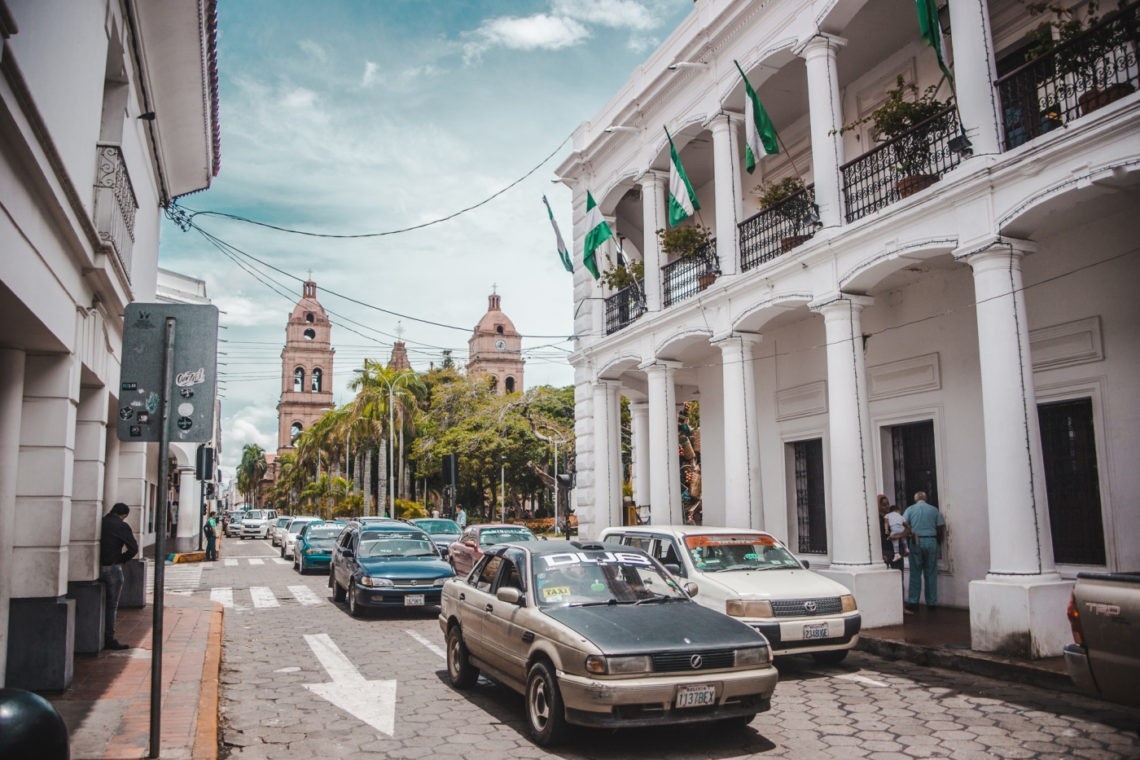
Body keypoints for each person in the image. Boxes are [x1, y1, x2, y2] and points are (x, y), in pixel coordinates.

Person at [99, 502, 138, 650]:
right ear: (124, 515)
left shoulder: (102, 522)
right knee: (111, 606)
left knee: (102, 604)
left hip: (97, 568)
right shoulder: (121, 526)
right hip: (113, 569)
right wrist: (121, 559)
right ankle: (109, 638)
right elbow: (133, 548)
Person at [902, 491, 946, 613]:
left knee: (915, 572)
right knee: (931, 572)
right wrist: (937, 541)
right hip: (931, 540)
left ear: (915, 499)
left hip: (916, 541)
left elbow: (904, 524)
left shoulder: (910, 509)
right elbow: (940, 527)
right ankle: (931, 603)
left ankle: (913, 601)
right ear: (926, 498)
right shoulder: (934, 510)